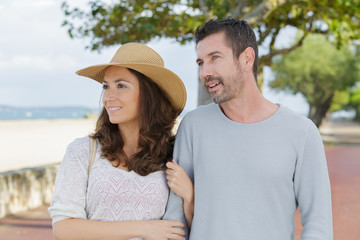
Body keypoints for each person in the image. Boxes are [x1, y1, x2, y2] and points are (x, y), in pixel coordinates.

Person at [163, 18, 333, 239]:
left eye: (215, 58)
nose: (205, 72)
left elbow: (318, 226)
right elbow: (174, 221)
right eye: (200, 62)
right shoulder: (193, 126)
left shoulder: (301, 133)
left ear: (247, 58)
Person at [48, 42, 190, 240]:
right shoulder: (81, 151)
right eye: (106, 86)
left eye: (121, 85)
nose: (108, 97)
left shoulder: (173, 155)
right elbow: (64, 229)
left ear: (149, 95)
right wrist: (144, 228)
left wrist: (190, 196)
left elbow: (186, 227)